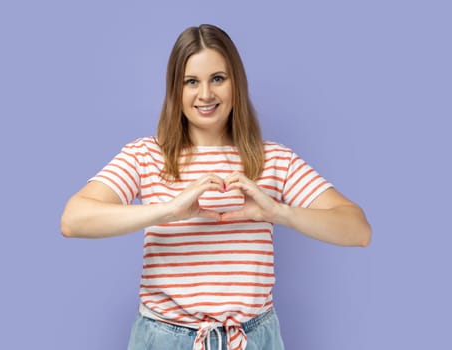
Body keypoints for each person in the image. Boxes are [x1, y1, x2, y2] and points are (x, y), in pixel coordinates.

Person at [60, 23, 371, 350]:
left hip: (253, 338)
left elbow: (357, 229)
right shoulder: (146, 155)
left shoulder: (273, 159)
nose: (205, 94)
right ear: (174, 90)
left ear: (236, 83)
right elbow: (73, 219)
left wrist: (278, 212)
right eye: (191, 82)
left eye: (217, 79)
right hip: (166, 338)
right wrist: (169, 211)